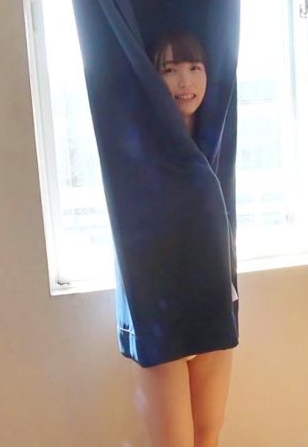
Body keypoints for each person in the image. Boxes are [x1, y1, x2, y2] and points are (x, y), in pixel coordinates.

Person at [130, 29, 236, 447]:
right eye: (170, 70)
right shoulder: (141, 143)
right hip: (161, 310)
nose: (185, 82)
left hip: (212, 298)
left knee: (208, 435)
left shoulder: (216, 138)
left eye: (194, 67)